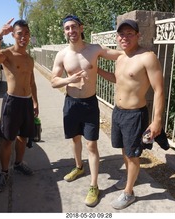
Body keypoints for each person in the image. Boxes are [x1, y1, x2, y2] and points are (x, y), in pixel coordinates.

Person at [51, 15, 122, 207]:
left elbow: (118, 55)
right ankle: (79, 167)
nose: (71, 31)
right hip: (71, 103)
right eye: (67, 28)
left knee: (91, 145)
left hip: (90, 103)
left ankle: (94, 186)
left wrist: (137, 53)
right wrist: (68, 80)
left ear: (81, 28)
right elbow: (53, 81)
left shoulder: (94, 49)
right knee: (75, 139)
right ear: (64, 31)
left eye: (74, 27)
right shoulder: (62, 55)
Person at [98, 19, 165, 209]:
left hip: (135, 115)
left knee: (133, 154)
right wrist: (98, 71)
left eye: (129, 33)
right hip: (118, 112)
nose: (124, 37)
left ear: (138, 35)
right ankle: (129, 179)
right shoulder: (121, 57)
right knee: (125, 151)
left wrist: (156, 120)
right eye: (121, 34)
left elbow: (159, 90)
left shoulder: (147, 57)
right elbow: (118, 79)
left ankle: (128, 193)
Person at [0, 18, 39, 193]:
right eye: (19, 34)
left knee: (23, 137)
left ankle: (18, 164)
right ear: (13, 35)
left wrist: (35, 102)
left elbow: (32, 82)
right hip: (12, 102)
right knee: (7, 139)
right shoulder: (8, 54)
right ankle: (3, 173)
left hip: (26, 102)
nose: (23, 37)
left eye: (26, 34)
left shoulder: (29, 58)